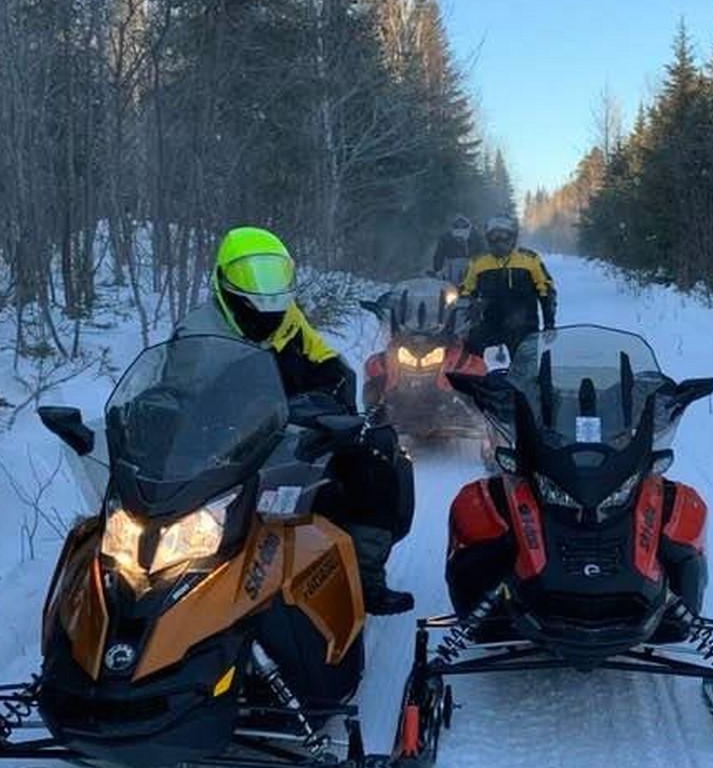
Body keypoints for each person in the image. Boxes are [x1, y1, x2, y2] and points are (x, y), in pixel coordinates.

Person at [175, 227, 414, 614]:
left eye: (272, 275)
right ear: (227, 281)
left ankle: (367, 578)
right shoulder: (198, 334)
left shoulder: (288, 318)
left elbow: (327, 361)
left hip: (295, 431)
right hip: (226, 447)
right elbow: (180, 395)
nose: (265, 291)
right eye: (255, 276)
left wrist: (327, 402)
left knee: (375, 460)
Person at [459, 213, 557, 357]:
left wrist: (549, 323)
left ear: (513, 237)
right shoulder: (478, 263)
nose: (499, 241)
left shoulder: (529, 259)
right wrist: (465, 314)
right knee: (468, 355)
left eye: (504, 236)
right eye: (494, 236)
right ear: (487, 238)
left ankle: (527, 378)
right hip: (490, 324)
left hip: (524, 326)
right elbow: (466, 291)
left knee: (525, 368)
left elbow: (545, 290)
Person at [431, 214, 483, 281]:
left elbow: (483, 252)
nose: (460, 228)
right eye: (457, 226)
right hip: (451, 268)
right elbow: (439, 255)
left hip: (472, 267)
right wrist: (438, 270)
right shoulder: (445, 238)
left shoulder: (477, 237)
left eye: (463, 226)